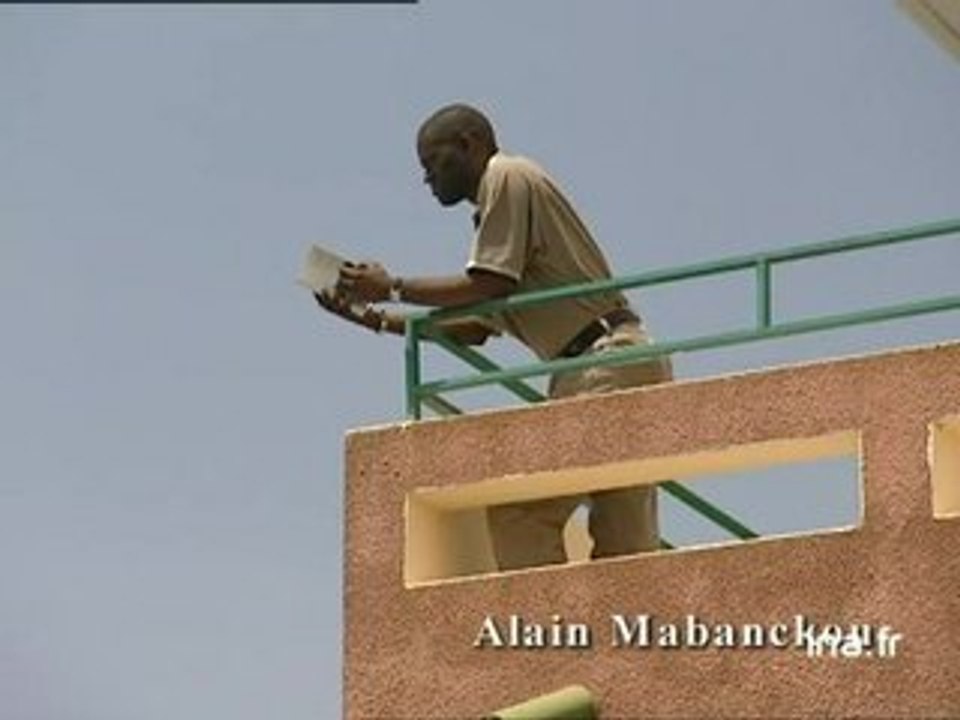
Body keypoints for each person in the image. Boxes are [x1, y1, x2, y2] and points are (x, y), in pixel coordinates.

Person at [316, 103, 672, 571]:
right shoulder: (497, 214)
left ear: (468, 145)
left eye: (432, 162)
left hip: (599, 364)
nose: (427, 179)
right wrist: (379, 320)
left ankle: (542, 637)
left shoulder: (505, 176)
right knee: (627, 548)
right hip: (622, 359)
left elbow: (489, 283)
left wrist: (393, 287)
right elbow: (475, 328)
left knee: (521, 509)